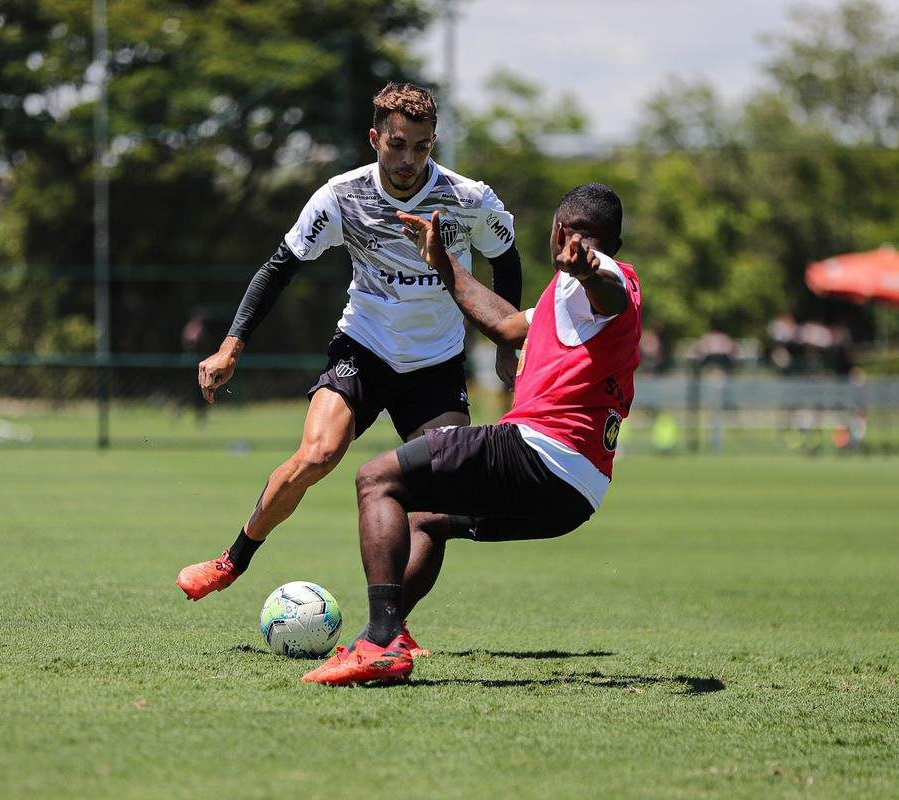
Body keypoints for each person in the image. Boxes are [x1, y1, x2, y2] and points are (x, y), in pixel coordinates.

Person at [176, 82, 523, 600]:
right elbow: (278, 269)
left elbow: (506, 257)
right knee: (317, 454)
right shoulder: (342, 196)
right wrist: (231, 345)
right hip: (364, 348)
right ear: (374, 138)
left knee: (434, 502)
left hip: (436, 364)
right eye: (398, 144)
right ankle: (232, 559)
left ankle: (388, 629)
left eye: (423, 146)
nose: (409, 159)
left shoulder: (468, 198)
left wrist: (505, 343)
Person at [300, 183, 642, 686]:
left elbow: (609, 289)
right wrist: (441, 261)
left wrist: (588, 267)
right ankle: (389, 633)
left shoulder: (606, 279)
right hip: (574, 495)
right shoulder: (565, 299)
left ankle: (377, 643)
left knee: (376, 480)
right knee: (430, 518)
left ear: (561, 231)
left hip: (538, 452)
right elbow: (505, 324)